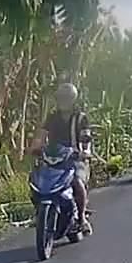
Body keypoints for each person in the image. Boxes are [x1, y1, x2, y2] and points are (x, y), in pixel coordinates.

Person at [30, 83, 93, 235]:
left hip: (74, 159)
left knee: (77, 182)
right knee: (35, 180)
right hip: (53, 158)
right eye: (61, 98)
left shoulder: (81, 118)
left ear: (73, 99)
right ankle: (39, 212)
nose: (64, 101)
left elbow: (86, 137)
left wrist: (85, 151)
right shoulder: (52, 117)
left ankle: (82, 218)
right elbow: (42, 135)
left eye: (67, 98)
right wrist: (35, 147)